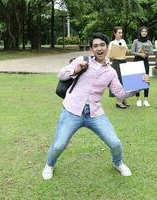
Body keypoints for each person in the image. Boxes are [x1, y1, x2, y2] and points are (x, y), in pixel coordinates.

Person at [42, 32, 149, 180]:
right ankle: (49, 164)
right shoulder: (82, 60)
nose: (99, 48)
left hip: (94, 113)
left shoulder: (111, 72)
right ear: (92, 49)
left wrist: (139, 85)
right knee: (59, 144)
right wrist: (76, 69)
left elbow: (120, 93)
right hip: (72, 111)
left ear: (107, 47)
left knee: (115, 143)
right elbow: (61, 75)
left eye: (102, 45)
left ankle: (118, 163)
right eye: (95, 46)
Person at [131, 26, 153, 107]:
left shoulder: (149, 42)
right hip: (137, 61)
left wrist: (146, 54)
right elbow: (132, 52)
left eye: (145, 31)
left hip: (145, 61)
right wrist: (140, 53)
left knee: (146, 80)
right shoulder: (136, 41)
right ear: (140, 32)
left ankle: (146, 100)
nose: (144, 33)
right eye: (142, 31)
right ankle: (138, 99)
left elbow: (152, 52)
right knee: (137, 81)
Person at [108, 26, 129, 109]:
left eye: (121, 32)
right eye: (119, 32)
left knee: (125, 82)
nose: (121, 34)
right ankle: (118, 102)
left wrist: (123, 48)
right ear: (115, 33)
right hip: (116, 63)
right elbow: (110, 56)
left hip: (124, 62)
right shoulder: (112, 43)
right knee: (118, 82)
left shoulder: (123, 41)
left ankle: (123, 99)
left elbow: (127, 52)